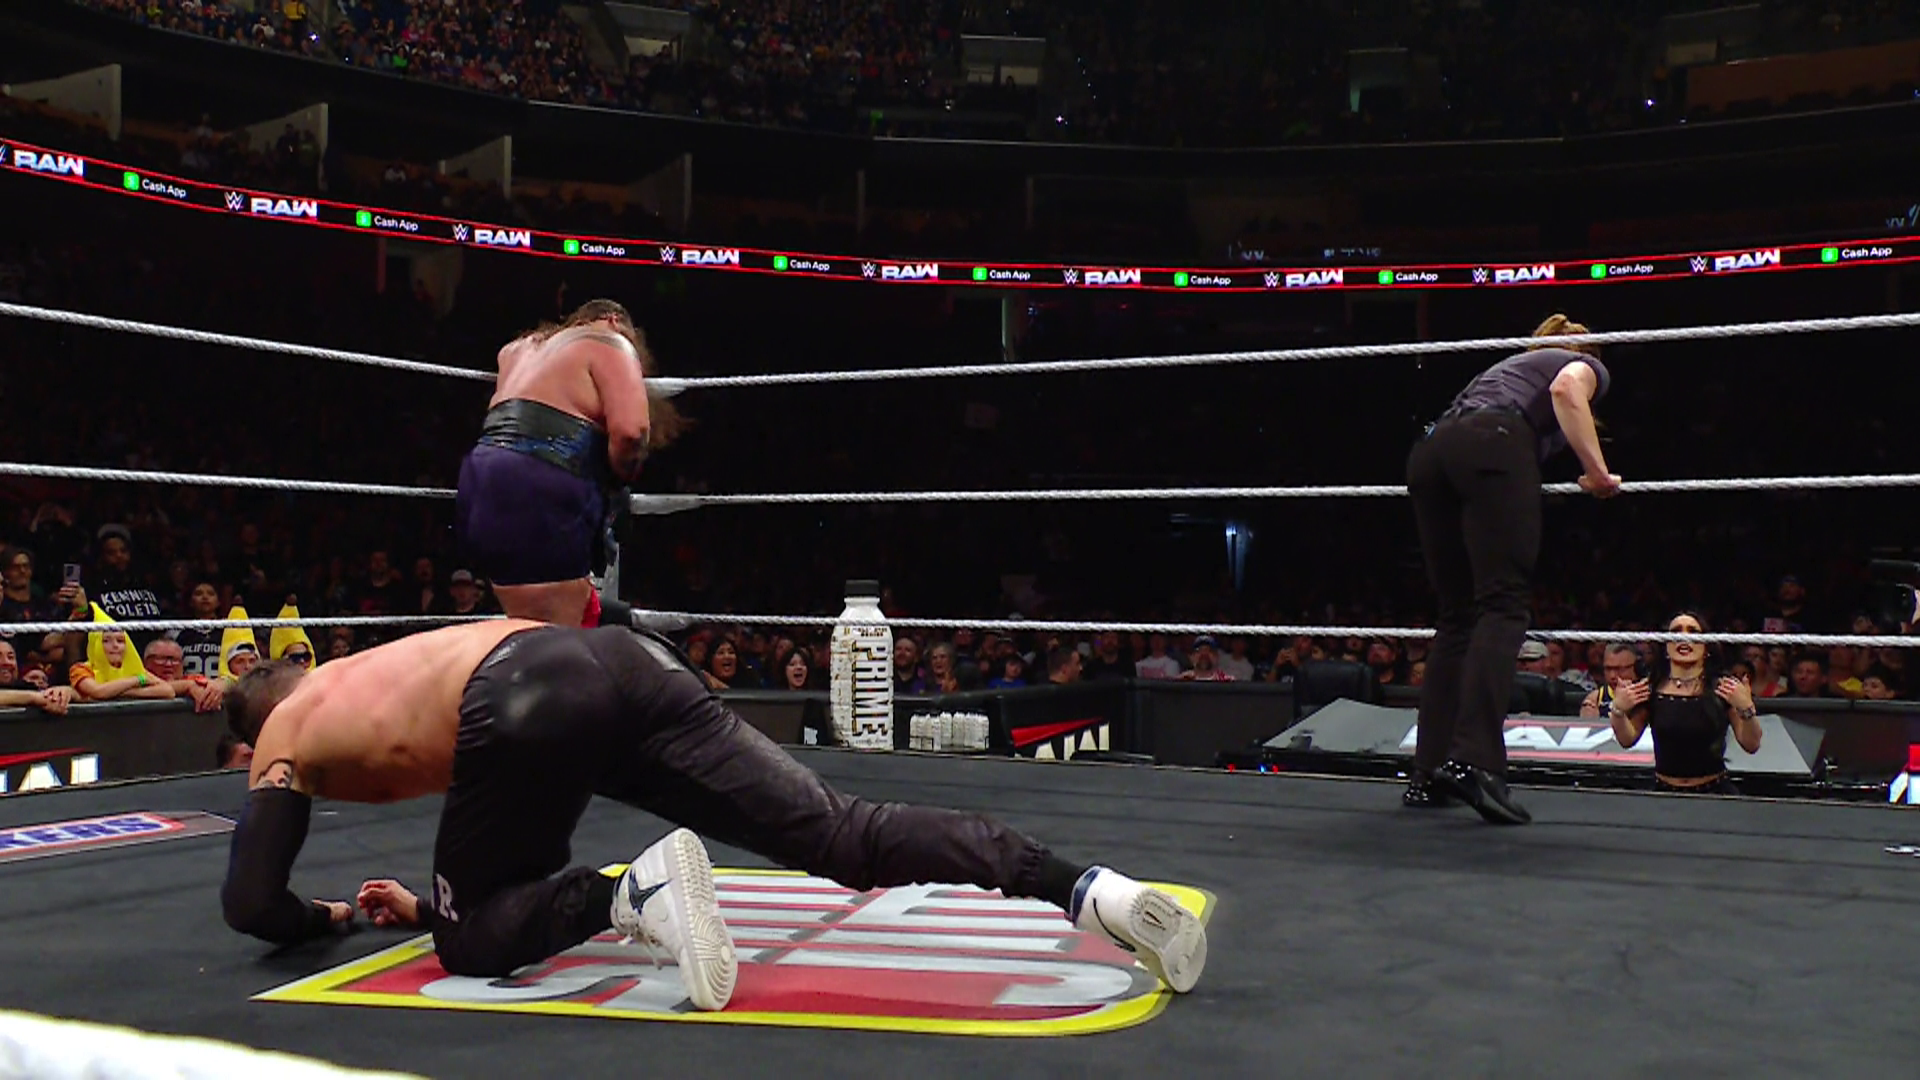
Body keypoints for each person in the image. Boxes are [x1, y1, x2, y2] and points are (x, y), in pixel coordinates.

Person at [219, 619, 1207, 1009]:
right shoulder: (366, 671)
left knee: (468, 940)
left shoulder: (284, 728)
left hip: (528, 697)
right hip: (623, 662)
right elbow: (494, 791)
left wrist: (333, 916)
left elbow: (252, 903)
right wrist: (430, 893)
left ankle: (633, 895)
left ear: (255, 728)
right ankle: (1093, 891)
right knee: (842, 833)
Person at [1402, 314, 1621, 824]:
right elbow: (1568, 391)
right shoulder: (1582, 365)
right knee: (1503, 604)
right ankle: (1475, 762)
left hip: (1430, 452)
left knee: (1457, 617)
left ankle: (1427, 772)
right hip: (1493, 442)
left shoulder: (1506, 369)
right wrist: (1597, 472)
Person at [455, 299, 685, 628]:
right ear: (613, 320)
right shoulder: (610, 340)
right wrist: (618, 481)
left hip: (479, 476)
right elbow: (631, 432)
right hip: (541, 479)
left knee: (526, 622)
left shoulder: (520, 349)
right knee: (558, 632)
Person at [1603, 612, 1762, 795]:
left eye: (1693, 631)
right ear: (1666, 646)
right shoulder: (1651, 688)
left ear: (1706, 646)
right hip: (1665, 794)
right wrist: (1618, 710)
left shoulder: (1723, 688)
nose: (1684, 637)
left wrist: (1746, 709)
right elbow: (1626, 739)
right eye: (1676, 631)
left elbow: (1752, 744)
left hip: (1714, 794)